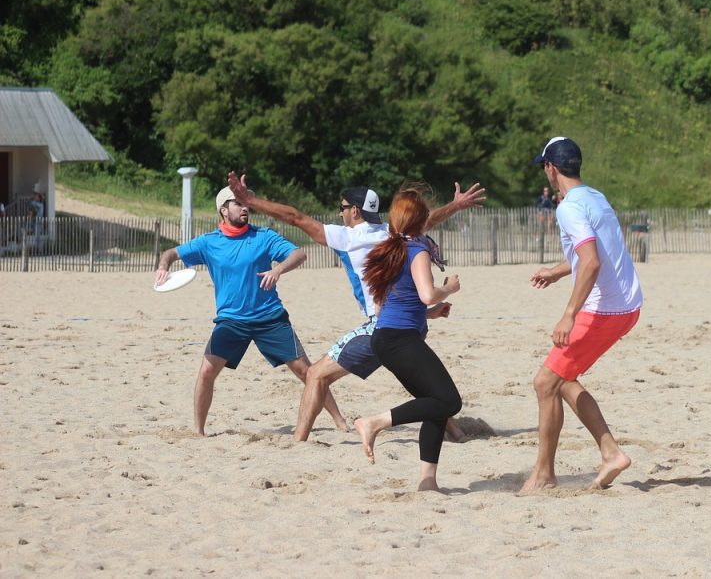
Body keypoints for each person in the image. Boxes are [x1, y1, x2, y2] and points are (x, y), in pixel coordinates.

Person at [226, 172, 485, 440]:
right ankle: (457, 433)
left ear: (355, 211)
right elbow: (426, 219)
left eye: (343, 208)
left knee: (316, 375)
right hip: (412, 323)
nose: (340, 214)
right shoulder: (393, 232)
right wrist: (454, 206)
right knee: (426, 386)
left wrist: (252, 201)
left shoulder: (347, 238)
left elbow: (295, 217)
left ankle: (297, 442)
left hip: (382, 328)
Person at [154, 186, 347, 436]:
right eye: (237, 203)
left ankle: (339, 420)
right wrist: (162, 267)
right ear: (223, 210)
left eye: (246, 203)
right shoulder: (209, 243)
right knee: (206, 372)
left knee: (307, 372)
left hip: (270, 318)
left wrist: (278, 270)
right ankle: (199, 432)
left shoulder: (263, 236)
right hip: (231, 321)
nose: (245, 207)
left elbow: (299, 254)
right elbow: (170, 253)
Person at [521, 136, 643, 492]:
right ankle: (610, 453)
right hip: (628, 304)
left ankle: (544, 475)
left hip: (603, 309)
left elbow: (591, 262)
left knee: (545, 383)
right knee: (563, 377)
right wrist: (557, 271)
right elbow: (594, 254)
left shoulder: (569, 207)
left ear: (551, 168)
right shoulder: (595, 196)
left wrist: (569, 314)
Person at [353, 186, 463, 492]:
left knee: (435, 404)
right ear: (423, 221)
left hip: (386, 339)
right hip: (400, 341)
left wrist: (430, 314)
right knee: (450, 401)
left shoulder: (389, 250)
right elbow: (427, 293)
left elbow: (385, 307)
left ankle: (428, 482)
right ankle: (373, 422)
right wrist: (449, 289)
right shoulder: (417, 250)